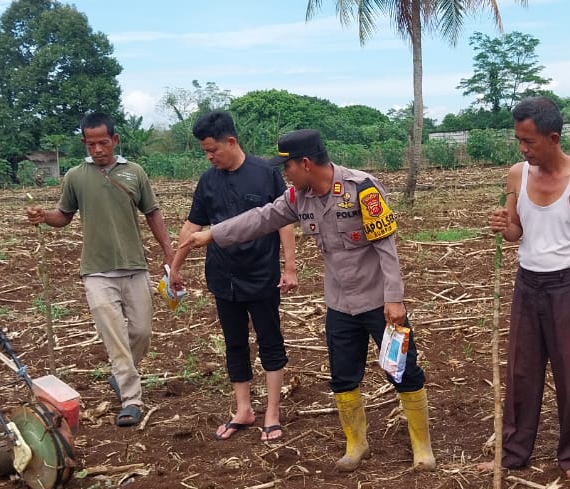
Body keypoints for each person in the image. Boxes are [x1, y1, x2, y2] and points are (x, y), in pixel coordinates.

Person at [174, 129, 434, 471]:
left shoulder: (362, 189)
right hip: (340, 302)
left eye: (288, 167)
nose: (285, 175)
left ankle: (422, 447)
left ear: (306, 164)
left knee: (402, 370)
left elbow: (386, 247)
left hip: (379, 299)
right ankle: (357, 444)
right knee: (343, 376)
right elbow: (261, 218)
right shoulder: (299, 197)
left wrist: (394, 298)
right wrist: (211, 235)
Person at [477, 97, 570, 488]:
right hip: (528, 283)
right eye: (519, 140)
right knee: (521, 371)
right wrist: (503, 225)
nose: (523, 149)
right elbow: (516, 232)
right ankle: (514, 452)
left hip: (569, 284)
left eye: (529, 141)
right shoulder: (517, 175)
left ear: (553, 138)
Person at [27, 111, 174, 427]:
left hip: (134, 266)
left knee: (142, 332)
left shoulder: (134, 172)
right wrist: (45, 216)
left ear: (115, 140)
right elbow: (64, 215)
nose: (97, 150)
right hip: (96, 271)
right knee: (115, 336)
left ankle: (120, 376)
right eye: (91, 144)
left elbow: (152, 212)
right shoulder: (76, 176)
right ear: (84, 142)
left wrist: (169, 251)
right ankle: (131, 399)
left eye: (103, 143)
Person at [169, 110, 298, 442]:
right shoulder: (208, 181)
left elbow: (283, 220)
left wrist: (290, 267)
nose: (209, 157)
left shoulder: (265, 174)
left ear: (230, 141)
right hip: (223, 276)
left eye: (213, 150)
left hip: (261, 273)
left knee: (270, 341)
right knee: (234, 343)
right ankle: (244, 409)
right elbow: (192, 225)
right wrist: (175, 266)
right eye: (205, 152)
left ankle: (272, 413)